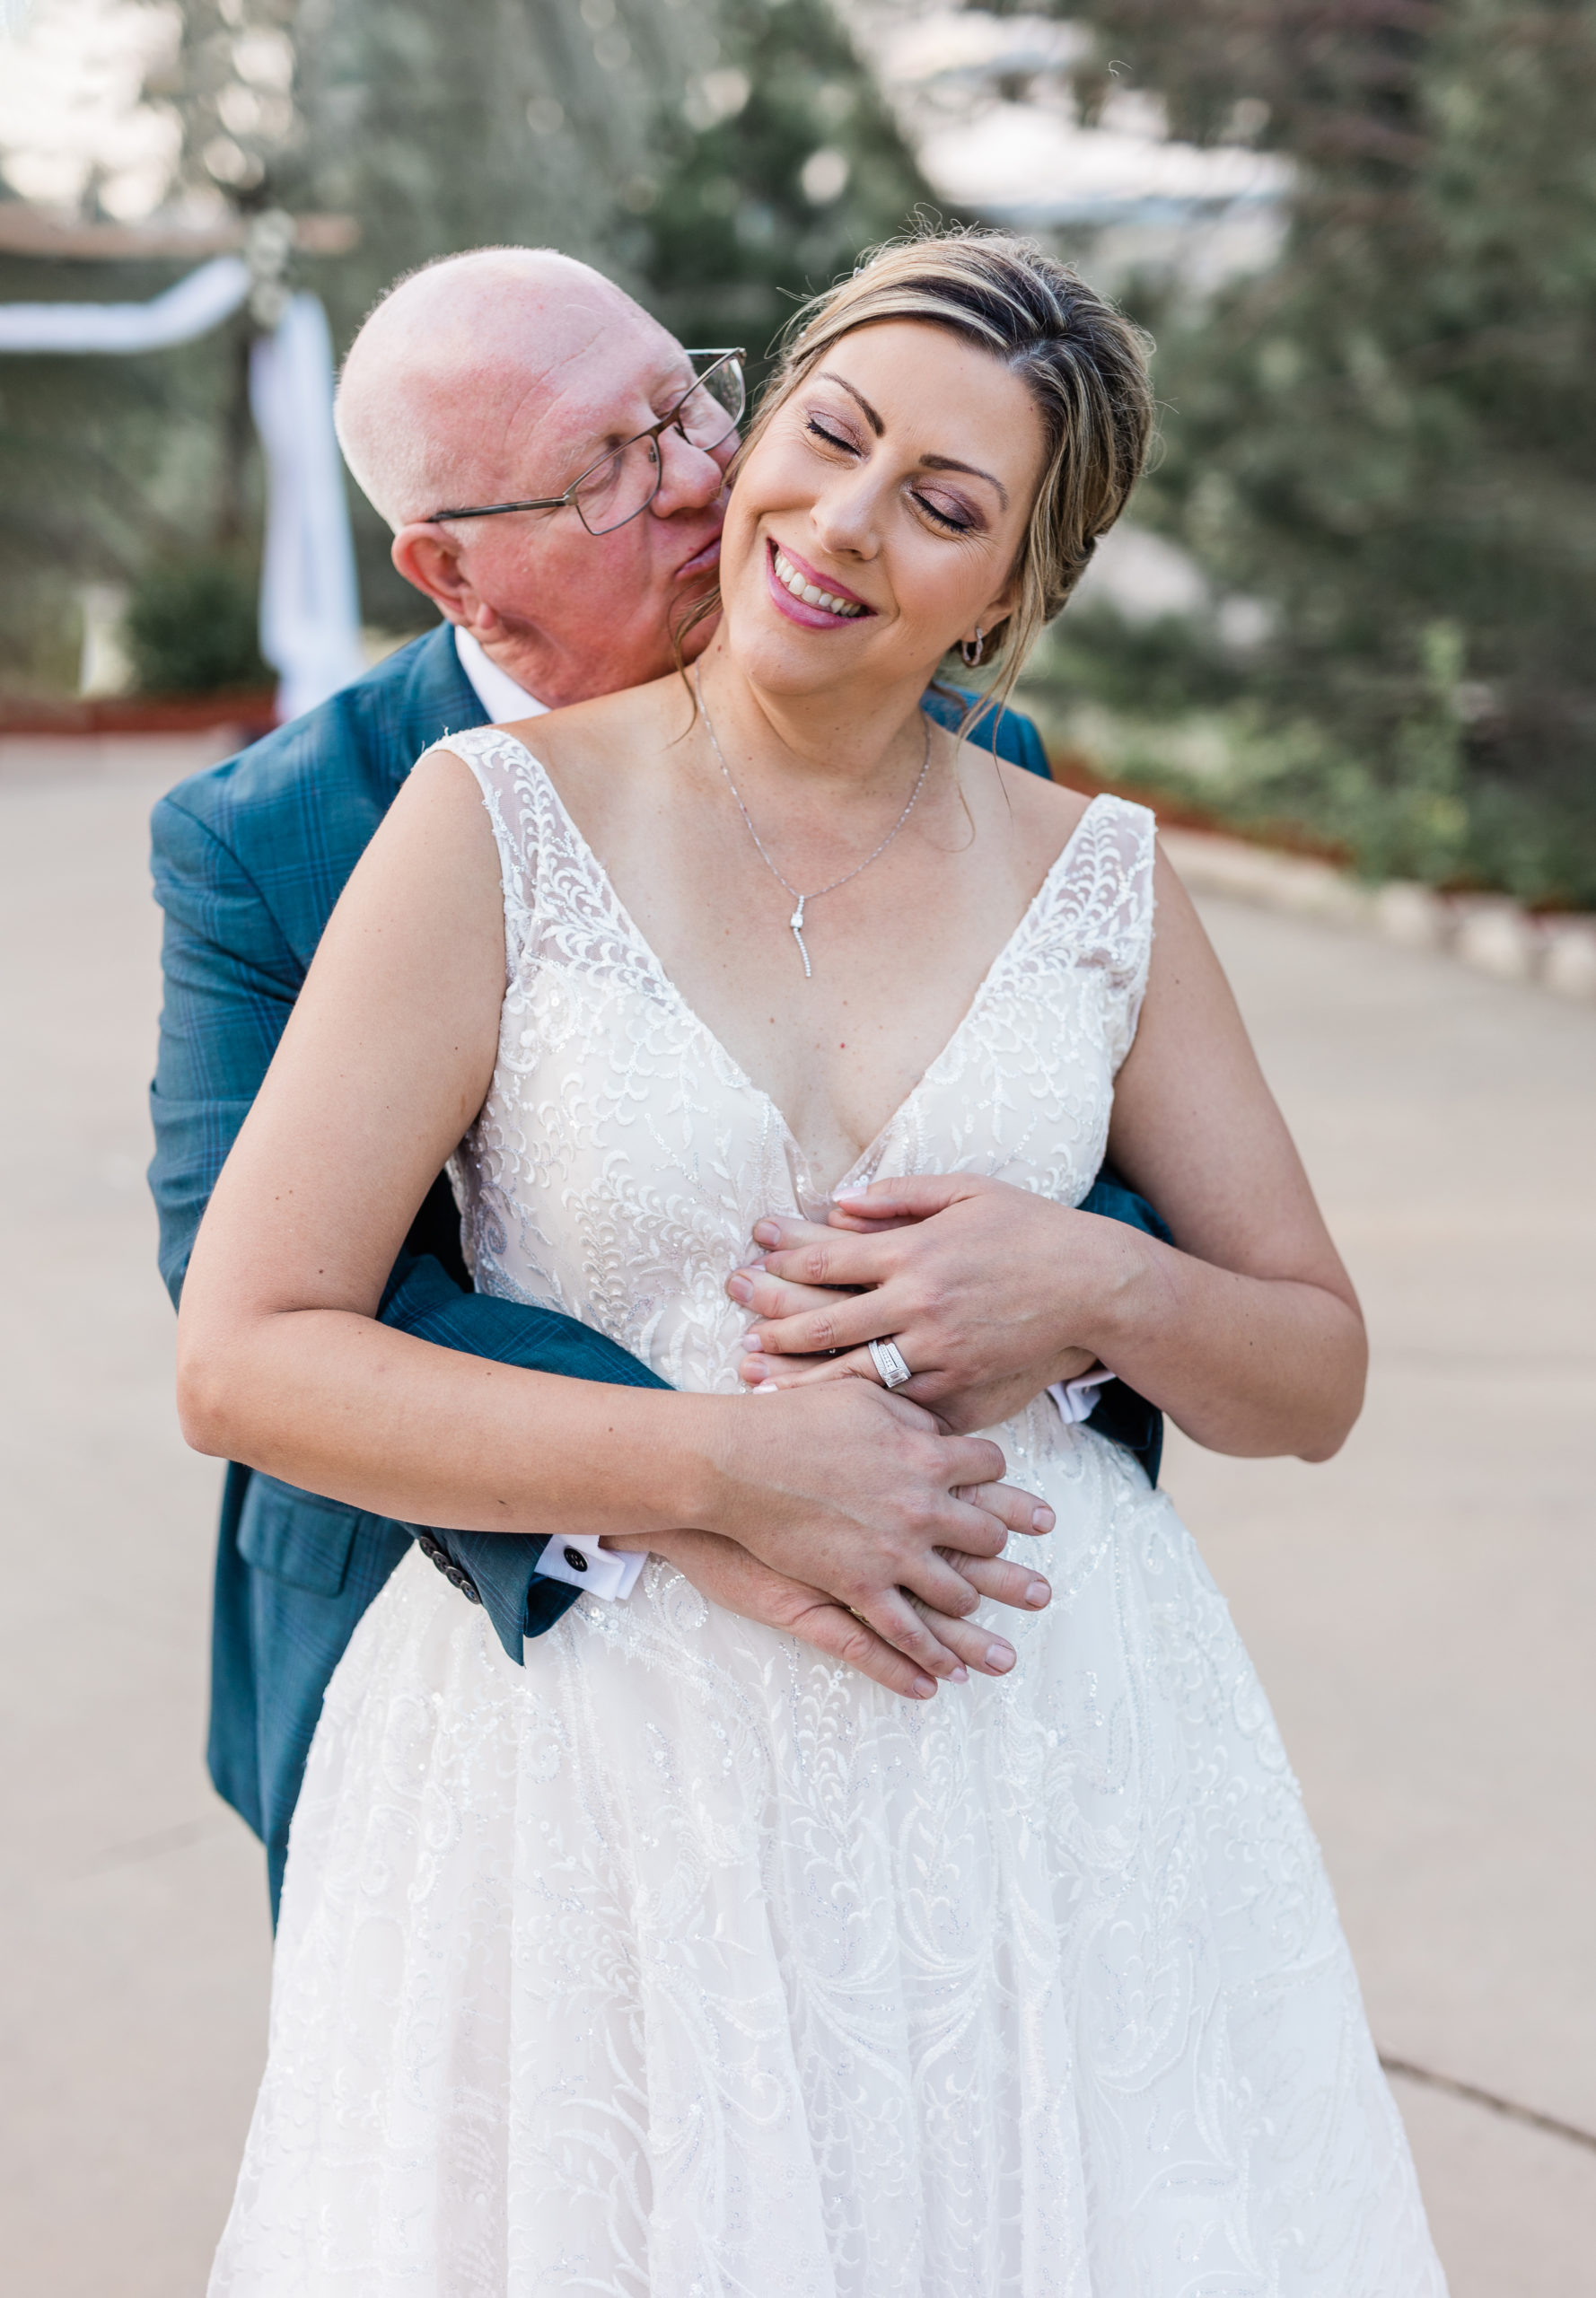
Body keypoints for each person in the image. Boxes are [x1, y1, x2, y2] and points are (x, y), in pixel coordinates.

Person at [180, 229, 1447, 2291]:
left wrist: (1095, 1283)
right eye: (827, 433)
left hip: (1042, 1772)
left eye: (943, 504)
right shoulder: (481, 820)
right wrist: (717, 1467)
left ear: (1014, 588)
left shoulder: (1092, 872)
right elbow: (246, 1352)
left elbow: (1310, 1365)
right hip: (590, 1796)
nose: (839, 521)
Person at [148, 245, 1163, 1920]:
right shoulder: (276, 839)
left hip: (934, 1639)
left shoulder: (977, 762)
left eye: (687, 399)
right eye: (607, 472)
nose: (704, 476)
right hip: (471, 1644)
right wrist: (708, 1481)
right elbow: (264, 1297)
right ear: (455, 575)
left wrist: (1048, 1287)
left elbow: (1094, 1152)